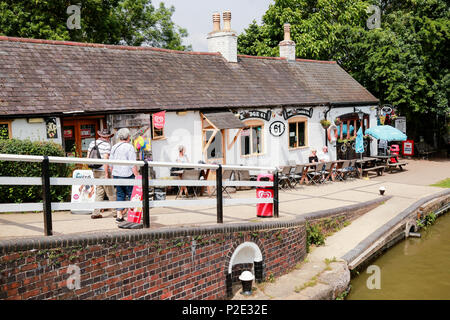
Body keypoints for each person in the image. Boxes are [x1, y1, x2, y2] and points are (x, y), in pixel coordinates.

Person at [109, 128, 139, 223]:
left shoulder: (114, 147)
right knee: (131, 195)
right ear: (128, 137)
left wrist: (113, 173)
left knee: (120, 194)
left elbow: (110, 164)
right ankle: (132, 216)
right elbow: (132, 164)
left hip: (117, 174)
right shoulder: (129, 147)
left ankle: (119, 216)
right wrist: (137, 175)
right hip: (127, 174)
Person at [87, 128, 115, 219]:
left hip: (95, 170)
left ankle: (96, 213)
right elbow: (105, 160)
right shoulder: (107, 145)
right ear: (107, 137)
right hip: (103, 170)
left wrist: (92, 168)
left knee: (99, 191)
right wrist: (107, 173)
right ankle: (116, 212)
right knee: (110, 191)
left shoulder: (92, 143)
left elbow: (88, 157)